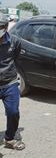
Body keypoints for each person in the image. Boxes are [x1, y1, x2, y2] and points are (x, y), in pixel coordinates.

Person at [0, 13, 25, 150]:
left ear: (5, 27)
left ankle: (9, 138)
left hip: (9, 83)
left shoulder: (15, 41)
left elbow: (16, 57)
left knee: (13, 112)